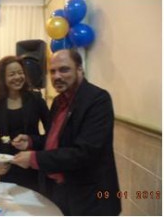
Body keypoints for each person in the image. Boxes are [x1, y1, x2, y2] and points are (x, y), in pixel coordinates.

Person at [11, 49, 121, 215]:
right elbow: (55, 141)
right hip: (61, 191)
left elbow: (85, 152)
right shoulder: (58, 101)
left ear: (80, 70)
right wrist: (32, 142)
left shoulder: (98, 100)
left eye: (64, 69)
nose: (57, 76)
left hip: (90, 198)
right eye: (53, 71)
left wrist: (35, 158)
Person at [0, 55, 49, 192]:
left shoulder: (36, 99)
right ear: (3, 78)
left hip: (32, 161)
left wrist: (33, 142)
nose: (17, 77)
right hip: (7, 163)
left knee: (34, 202)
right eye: (12, 74)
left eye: (20, 73)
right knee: (10, 203)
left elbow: (51, 131)